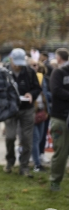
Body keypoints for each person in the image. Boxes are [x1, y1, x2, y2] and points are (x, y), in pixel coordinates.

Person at [4, 48, 41, 177]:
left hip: (27, 109)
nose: (18, 65)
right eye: (16, 62)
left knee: (26, 139)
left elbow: (37, 88)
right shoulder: (4, 72)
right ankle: (10, 160)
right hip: (11, 109)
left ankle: (24, 166)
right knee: (10, 136)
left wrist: (31, 94)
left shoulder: (29, 72)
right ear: (11, 59)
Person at [49, 48, 69, 191]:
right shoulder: (59, 72)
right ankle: (55, 181)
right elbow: (56, 90)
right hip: (60, 119)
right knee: (60, 152)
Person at [30, 59, 50, 172]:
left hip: (42, 111)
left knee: (40, 137)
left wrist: (47, 110)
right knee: (35, 138)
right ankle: (37, 164)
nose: (35, 67)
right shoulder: (27, 78)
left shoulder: (41, 77)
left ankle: (36, 159)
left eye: (36, 65)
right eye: (33, 65)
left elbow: (46, 94)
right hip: (31, 112)